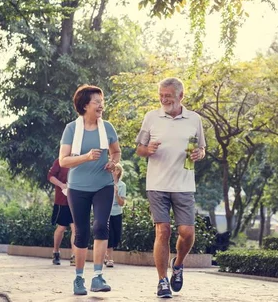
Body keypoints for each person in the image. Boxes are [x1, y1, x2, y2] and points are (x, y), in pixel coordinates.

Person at [135, 77, 206, 298]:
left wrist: (199, 154)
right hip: (157, 184)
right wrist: (147, 150)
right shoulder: (151, 117)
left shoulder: (194, 119)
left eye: (168, 96)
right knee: (163, 230)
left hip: (184, 184)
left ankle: (178, 264)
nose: (164, 100)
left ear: (181, 96)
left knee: (187, 233)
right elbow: (139, 148)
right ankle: (162, 280)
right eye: (161, 96)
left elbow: (202, 148)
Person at [59, 84, 121, 295]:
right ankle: (78, 279)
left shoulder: (108, 128)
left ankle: (97, 276)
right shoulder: (72, 129)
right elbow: (63, 161)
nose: (101, 105)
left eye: (102, 102)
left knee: (101, 226)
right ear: (85, 105)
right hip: (77, 187)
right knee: (82, 231)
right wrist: (86, 157)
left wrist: (113, 162)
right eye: (97, 102)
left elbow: (116, 152)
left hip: (103, 185)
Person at [47, 158, 76, 266]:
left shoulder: (82, 159)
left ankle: (74, 256)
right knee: (61, 228)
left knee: (75, 229)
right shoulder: (60, 161)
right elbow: (50, 176)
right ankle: (56, 252)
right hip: (62, 200)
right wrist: (61, 185)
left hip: (76, 201)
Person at [104, 163, 127, 267]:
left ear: (119, 172)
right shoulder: (105, 183)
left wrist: (116, 194)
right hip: (106, 213)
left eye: (116, 170)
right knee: (110, 236)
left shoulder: (122, 185)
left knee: (116, 236)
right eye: (113, 170)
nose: (114, 171)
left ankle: (105, 254)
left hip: (117, 213)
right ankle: (110, 258)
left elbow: (122, 203)